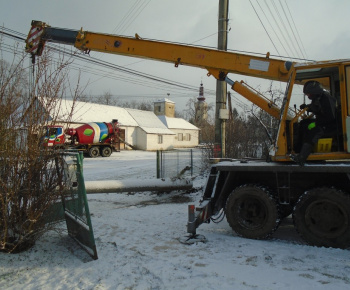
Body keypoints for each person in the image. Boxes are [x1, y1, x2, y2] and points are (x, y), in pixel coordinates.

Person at [291, 80, 337, 166]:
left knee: (313, 133)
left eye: (308, 93)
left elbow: (330, 117)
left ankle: (301, 158)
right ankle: (298, 149)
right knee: (304, 123)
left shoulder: (326, 99)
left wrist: (316, 123)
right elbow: (316, 107)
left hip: (329, 126)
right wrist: (307, 107)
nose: (308, 95)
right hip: (322, 122)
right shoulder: (318, 98)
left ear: (314, 92)